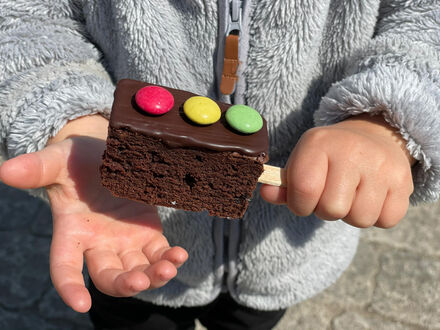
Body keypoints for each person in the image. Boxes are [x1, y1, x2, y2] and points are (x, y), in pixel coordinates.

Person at [0, 1, 438, 329]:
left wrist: (386, 115)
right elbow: (28, 17)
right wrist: (65, 114)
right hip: (124, 234)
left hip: (277, 252)